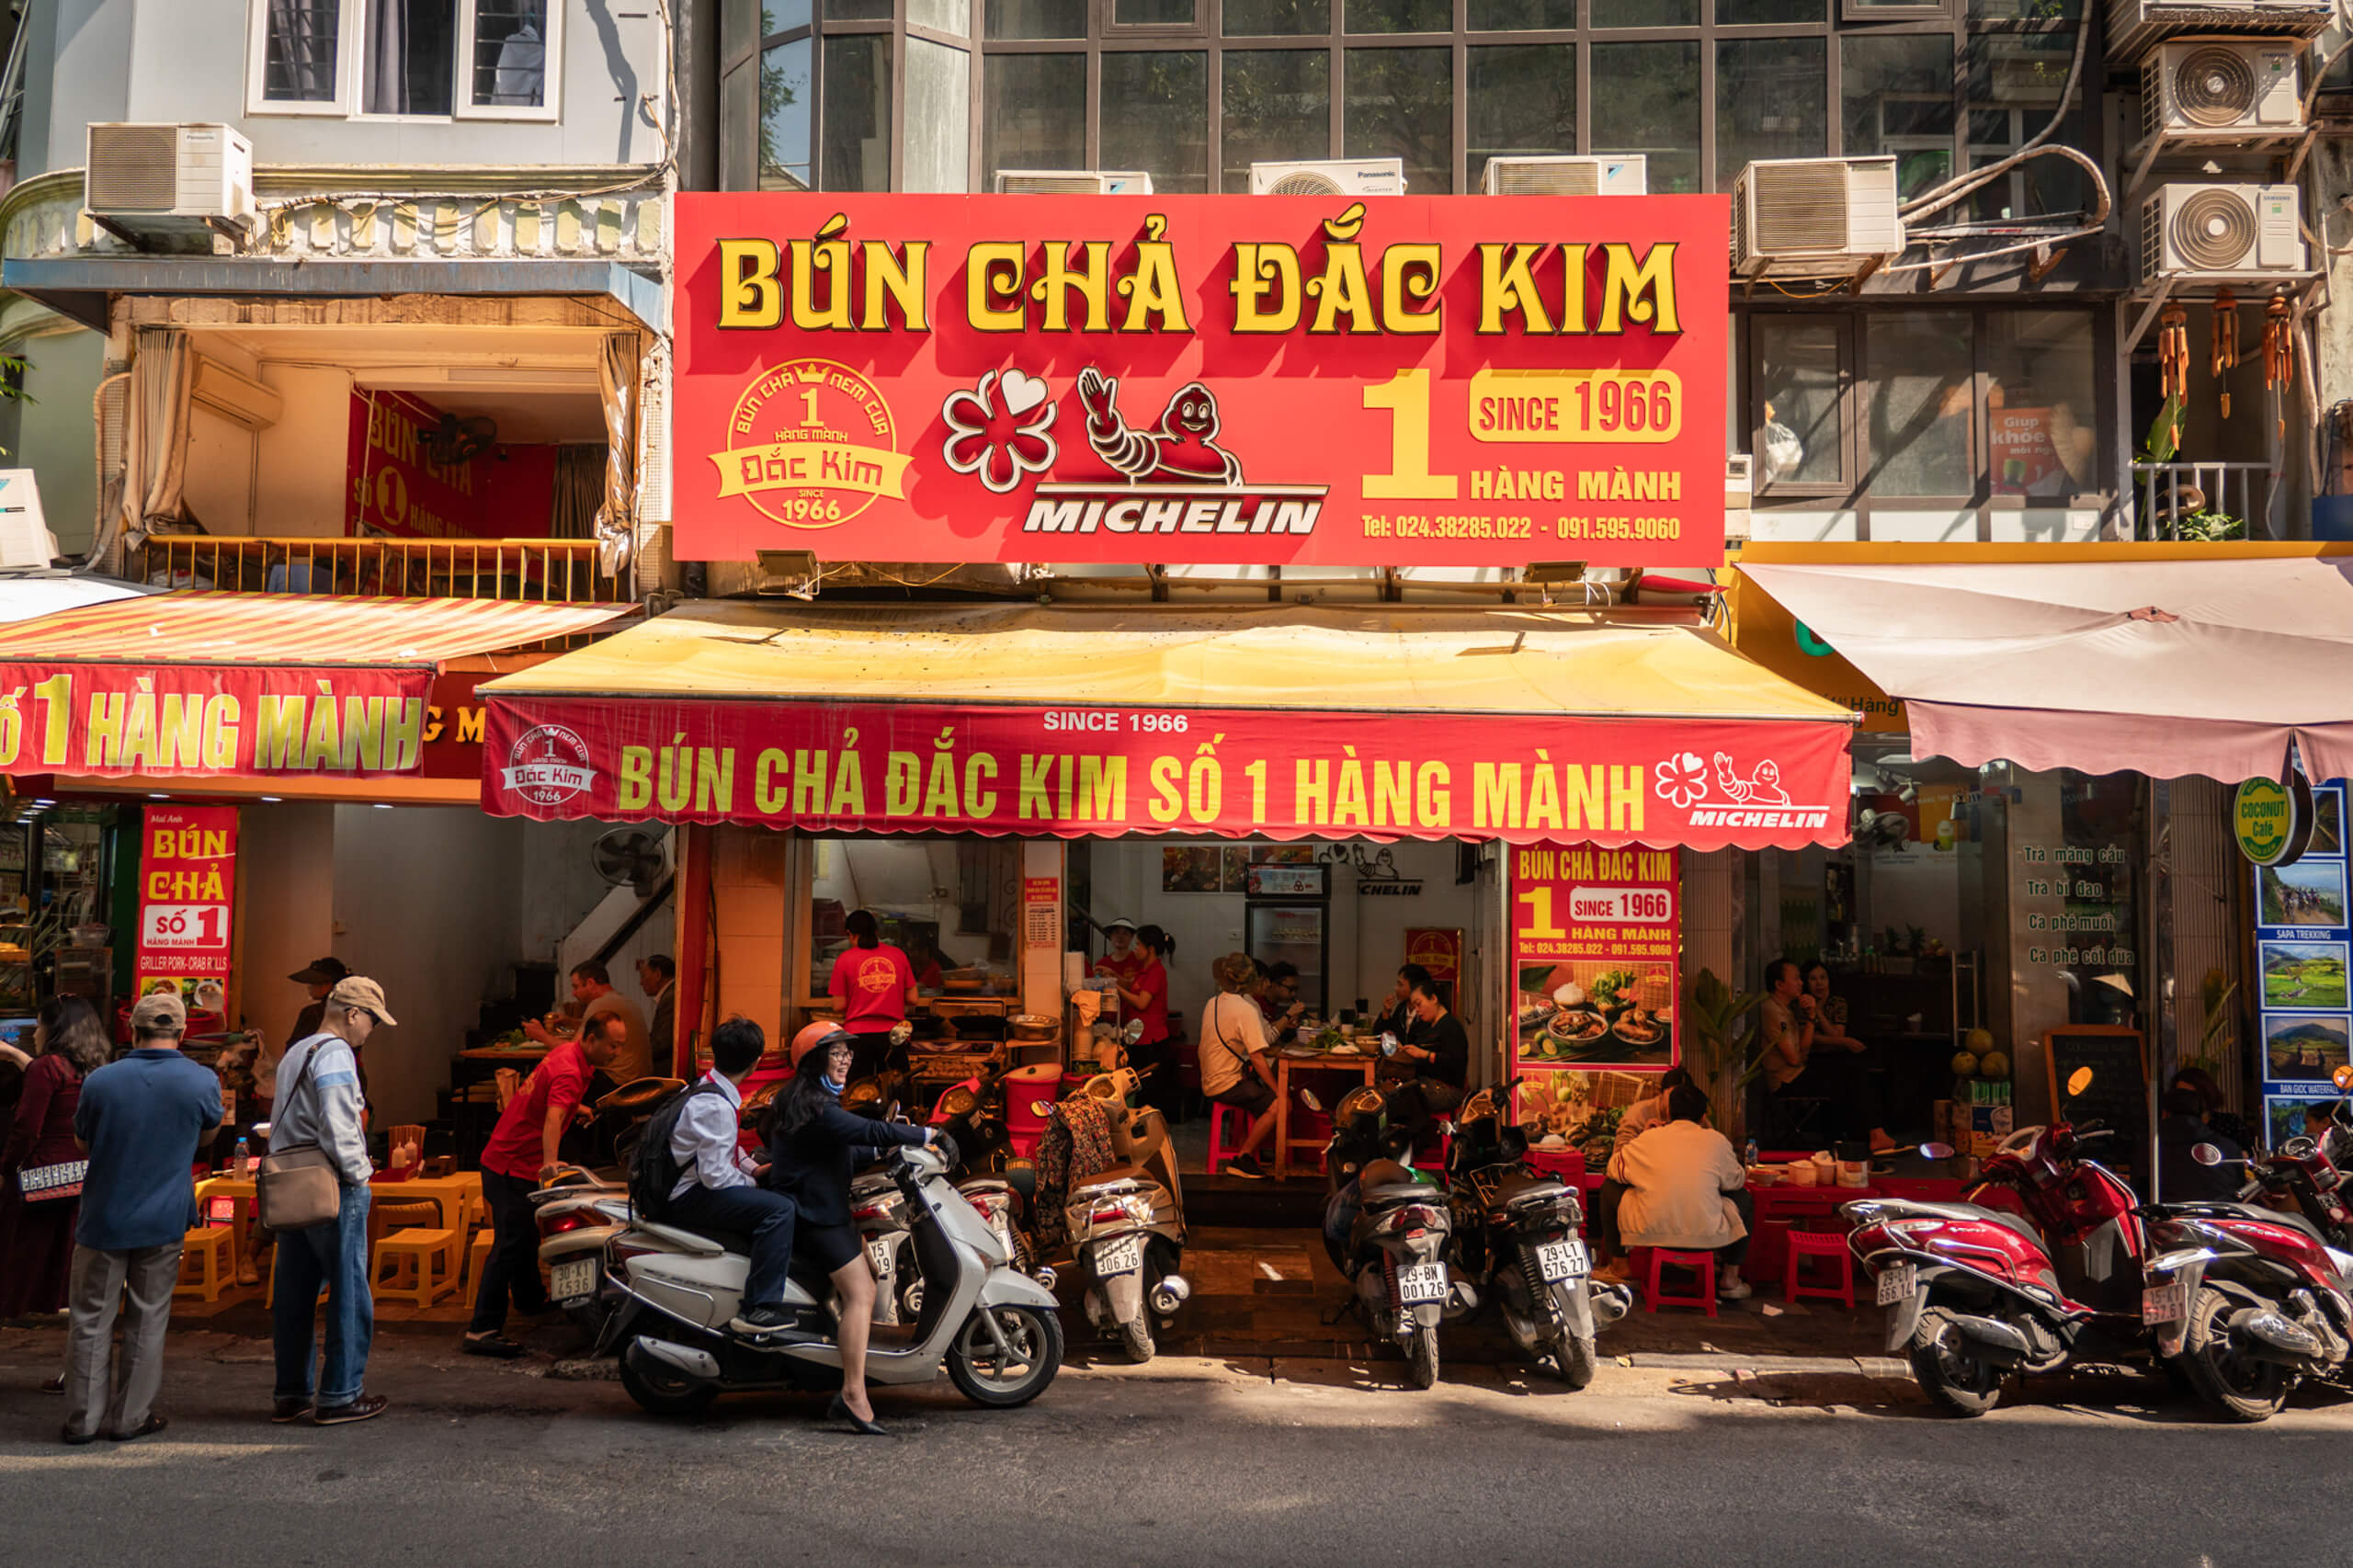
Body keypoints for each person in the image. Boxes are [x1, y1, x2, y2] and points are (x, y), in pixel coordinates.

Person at [62, 991, 222, 1443]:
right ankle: (129, 1418)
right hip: (164, 1216)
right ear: (183, 1031)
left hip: (104, 1216)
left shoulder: (101, 1081)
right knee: (148, 1318)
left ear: (132, 1030)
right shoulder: (201, 1081)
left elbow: (81, 1144)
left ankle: (82, 1421)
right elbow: (209, 1134)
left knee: (91, 1318)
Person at [763, 1022, 937, 1432]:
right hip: (816, 1213)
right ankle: (854, 1392)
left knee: (870, 1272)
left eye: (847, 1054)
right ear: (814, 1060)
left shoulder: (805, 1099)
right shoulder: (818, 1105)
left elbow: (845, 1145)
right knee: (862, 1292)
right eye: (836, 1053)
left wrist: (881, 1148)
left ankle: (840, 1353)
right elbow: (862, 1128)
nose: (846, 1060)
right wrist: (926, 1134)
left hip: (818, 1206)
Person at [267, 976, 394, 1426]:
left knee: (294, 1293)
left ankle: (292, 1392)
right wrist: (361, 1174)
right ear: (353, 1013)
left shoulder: (296, 1052)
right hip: (332, 1183)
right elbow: (339, 1124)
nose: (371, 1031)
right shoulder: (338, 1053)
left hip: (292, 1182)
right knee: (349, 1290)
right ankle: (340, 1394)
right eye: (372, 1020)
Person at [468, 1007, 624, 1358]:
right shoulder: (571, 1069)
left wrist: (576, 1107)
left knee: (524, 1234)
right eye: (613, 1046)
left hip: (505, 1159)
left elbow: (555, 1103)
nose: (617, 1052)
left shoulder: (567, 1053)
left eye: (620, 1046)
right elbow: (553, 1118)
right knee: (508, 1245)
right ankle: (482, 1329)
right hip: (511, 1165)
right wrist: (551, 1163)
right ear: (591, 1039)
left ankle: (529, 1299)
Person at [665, 1016, 808, 1339]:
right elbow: (716, 1176)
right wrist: (755, 1184)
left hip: (686, 1182)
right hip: (688, 1195)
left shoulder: (705, 1087)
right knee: (778, 1210)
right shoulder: (715, 1104)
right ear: (757, 1062)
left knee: (764, 1182)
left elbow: (722, 1148)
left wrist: (754, 1168)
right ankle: (760, 1307)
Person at [0, 997, 110, 1322]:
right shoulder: (100, 1069)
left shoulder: (46, 1067)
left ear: (53, 1029)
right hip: (82, 1178)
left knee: (24, 1258)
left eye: (38, 1026)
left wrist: (7, 1170)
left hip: (40, 1179)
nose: (35, 1034)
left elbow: (27, 1130)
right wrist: (20, 1058)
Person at [1602, 1084, 1753, 1301]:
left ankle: (1620, 1266)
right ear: (1703, 1116)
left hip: (1649, 1231)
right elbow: (1736, 1180)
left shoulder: (1648, 1139)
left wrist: (1642, 1144)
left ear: (1668, 1112)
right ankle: (1730, 1277)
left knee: (1609, 1188)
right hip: (1708, 1234)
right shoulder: (1717, 1141)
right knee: (1744, 1197)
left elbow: (1614, 1168)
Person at [1761, 958, 1893, 1152]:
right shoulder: (1773, 1011)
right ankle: (1871, 1136)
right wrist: (1812, 1022)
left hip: (1797, 1071)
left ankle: (1868, 1136)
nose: (1801, 983)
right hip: (1787, 1080)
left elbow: (1803, 1049)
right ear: (1779, 985)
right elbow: (1796, 1057)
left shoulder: (1786, 1009)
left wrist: (1813, 1016)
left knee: (1854, 1069)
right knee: (1851, 1073)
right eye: (1797, 979)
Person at [1590, 1066, 1694, 1263]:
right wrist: (1645, 1139)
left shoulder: (1695, 1114)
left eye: (1683, 1096)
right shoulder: (1640, 1113)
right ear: (1660, 1094)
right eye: (1672, 1096)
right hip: (1644, 1186)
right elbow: (1619, 1155)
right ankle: (1619, 1262)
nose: (1676, 1102)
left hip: (1682, 1192)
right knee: (1610, 1188)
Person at [1199, 951, 1280, 1179]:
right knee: (1279, 1105)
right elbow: (1257, 1057)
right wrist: (1278, 1091)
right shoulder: (1246, 1010)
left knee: (1261, 1094)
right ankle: (1243, 1158)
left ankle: (1245, 1149)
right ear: (1251, 981)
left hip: (1208, 1080)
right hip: (1226, 1084)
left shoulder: (1212, 1003)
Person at [826, 910, 918, 1083]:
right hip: (895, 1034)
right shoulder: (898, 955)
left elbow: (838, 1005)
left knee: (859, 1094)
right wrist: (890, 996)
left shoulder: (844, 960)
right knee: (896, 1089)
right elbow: (913, 998)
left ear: (849, 934)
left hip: (857, 1036)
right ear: (877, 932)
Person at [529, 960, 651, 1089]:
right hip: (640, 1081)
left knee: (553, 1077)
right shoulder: (621, 999)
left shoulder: (600, 1004)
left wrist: (542, 1036)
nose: (573, 993)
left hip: (617, 1083)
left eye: (576, 987)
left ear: (590, 983)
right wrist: (569, 1022)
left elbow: (573, 1050)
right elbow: (598, 1028)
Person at [1108, 925, 1175, 1103]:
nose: (1135, 949)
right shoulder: (1143, 969)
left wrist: (1117, 988)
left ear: (1150, 949)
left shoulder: (1157, 972)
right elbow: (1133, 986)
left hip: (1151, 1041)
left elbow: (1141, 1002)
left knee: (1147, 1095)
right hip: (1138, 1036)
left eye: (1138, 945)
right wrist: (1112, 976)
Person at [2158, 1085, 2244, 1202]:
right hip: (2219, 1216)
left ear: (2165, 1114)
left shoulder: (2151, 1147)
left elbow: (2139, 1192)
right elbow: (2240, 1188)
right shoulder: (2228, 1147)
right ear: (2203, 1116)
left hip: (2166, 1216)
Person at [1392, 976, 1469, 1100]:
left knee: (1397, 1099)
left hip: (1446, 1089)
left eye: (1419, 1004)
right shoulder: (1427, 1026)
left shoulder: (1451, 1025)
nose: (1417, 1011)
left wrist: (1424, 1054)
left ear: (1433, 998)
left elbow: (1456, 1061)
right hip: (1424, 1082)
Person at [637, 954, 677, 1080]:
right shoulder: (670, 994)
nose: (641, 982)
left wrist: (638, 1054)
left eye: (643, 976)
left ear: (658, 975)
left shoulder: (670, 997)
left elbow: (663, 1043)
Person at [1370, 964, 1430, 1043]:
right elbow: (1379, 1037)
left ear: (1415, 987)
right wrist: (1386, 1012)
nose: (1396, 988)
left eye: (1400, 984)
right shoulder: (1402, 1008)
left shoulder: (1427, 1012)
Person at [1257, 960, 1306, 1045]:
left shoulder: (1273, 1003)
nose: (1293, 993)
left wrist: (1285, 1022)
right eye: (1291, 988)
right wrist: (1288, 1015)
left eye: (1295, 989)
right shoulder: (1255, 1002)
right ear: (1274, 985)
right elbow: (1264, 1036)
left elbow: (1266, 1027)